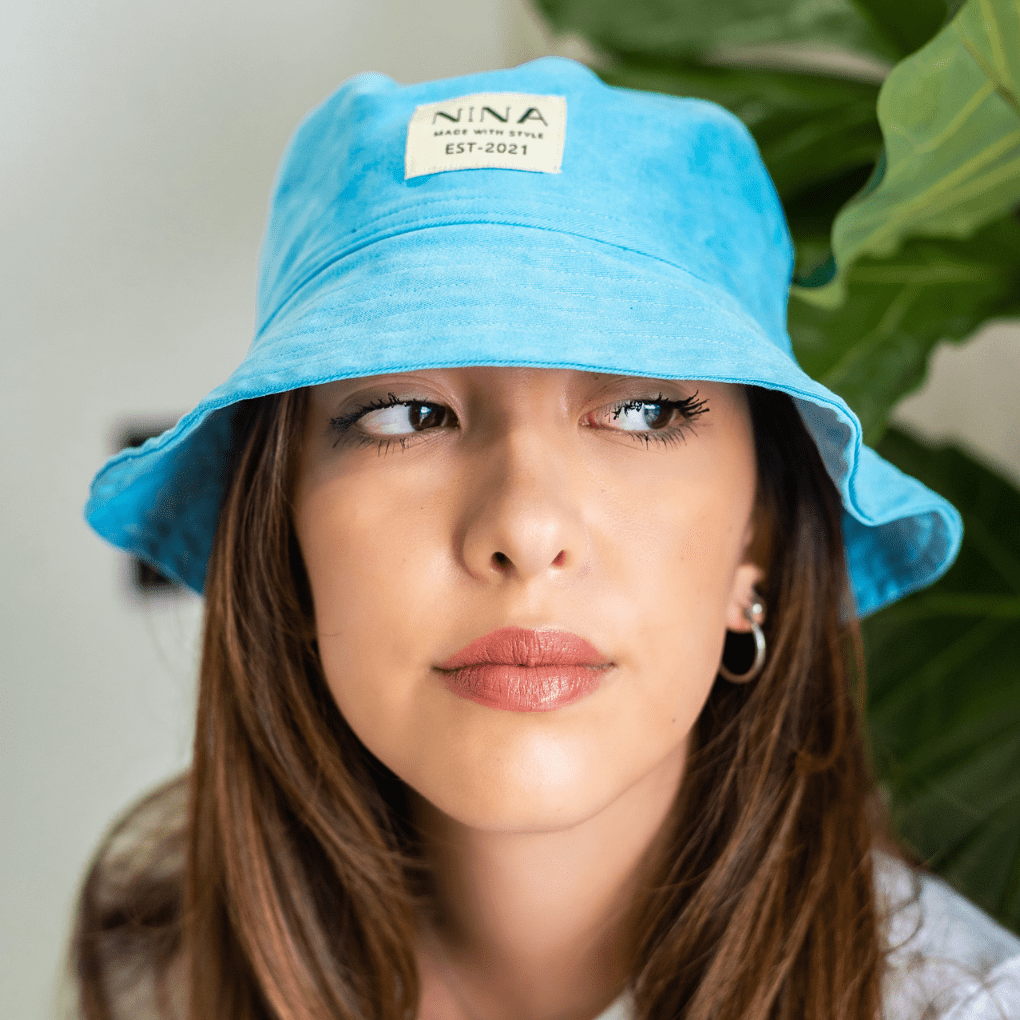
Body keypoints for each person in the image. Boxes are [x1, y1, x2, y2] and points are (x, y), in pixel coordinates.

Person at [73, 57, 1019, 1020]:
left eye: (644, 411)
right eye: (406, 414)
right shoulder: (154, 987)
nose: (524, 530)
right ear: (285, 538)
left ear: (759, 543)